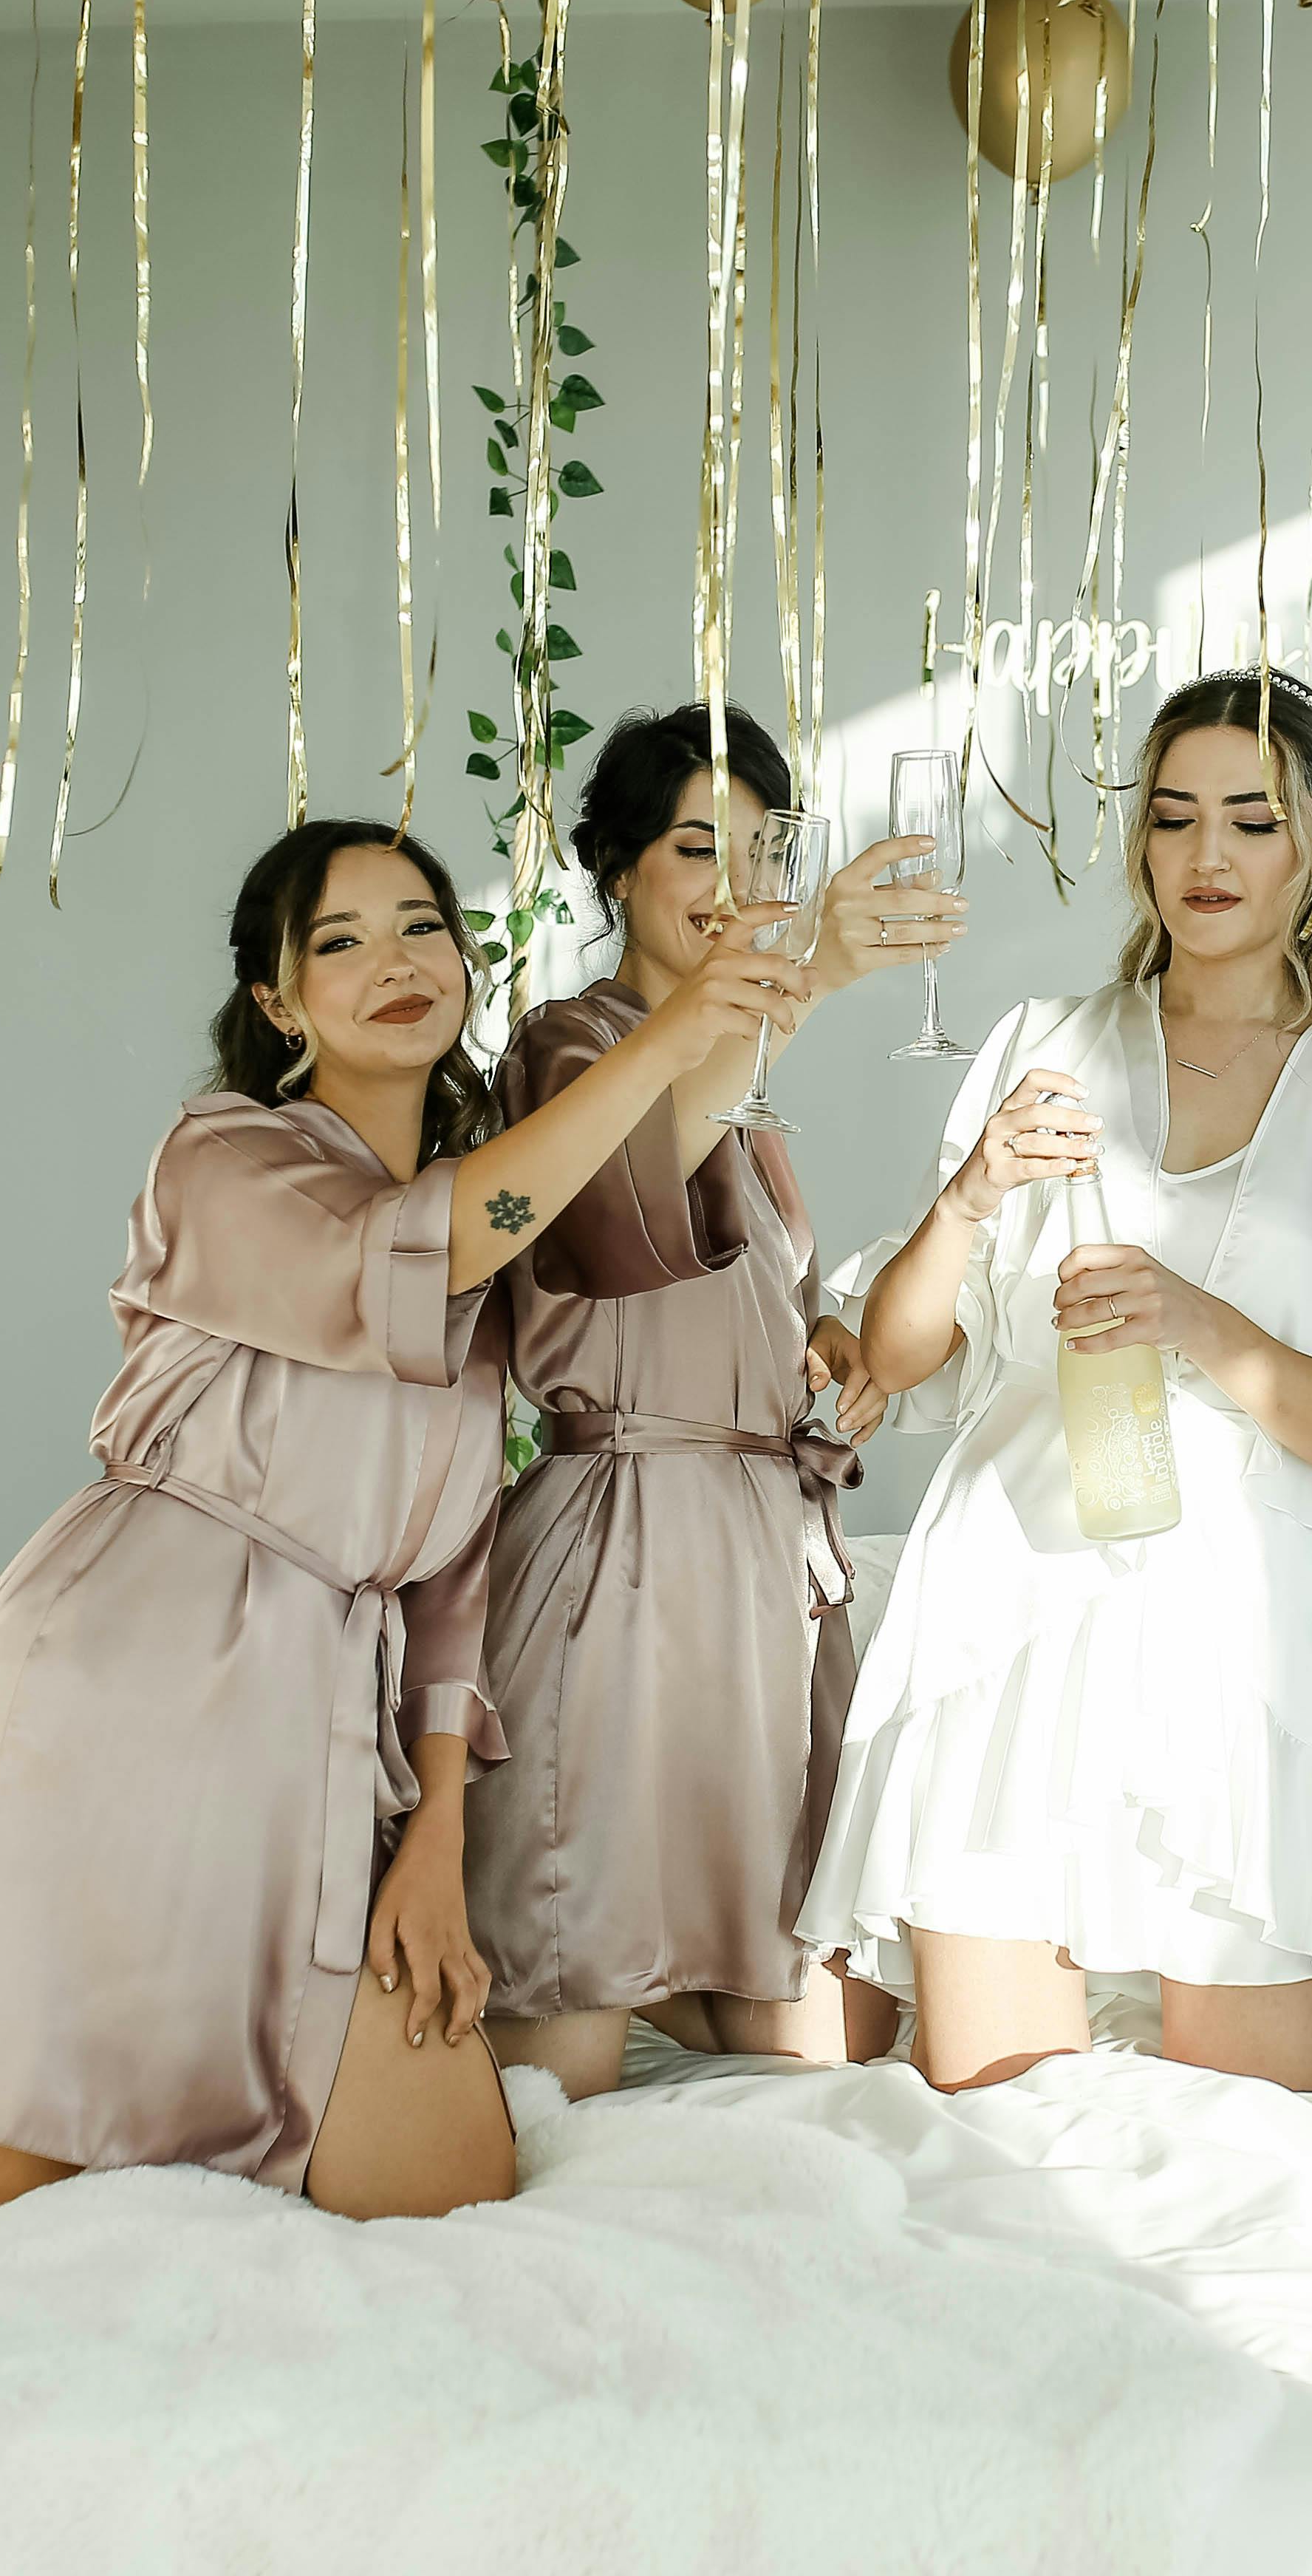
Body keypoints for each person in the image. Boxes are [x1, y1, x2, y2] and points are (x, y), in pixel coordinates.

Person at [0, 817, 805, 2258]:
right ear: (274, 1000)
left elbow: (446, 1582)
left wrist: (435, 1835)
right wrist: (676, 1025)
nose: (394, 962)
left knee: (446, 2190)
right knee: (12, 2212)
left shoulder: (473, 1222)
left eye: (424, 927)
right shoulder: (227, 1157)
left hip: (330, 1742)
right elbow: (440, 1237)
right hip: (121, 1705)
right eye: (340, 940)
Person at [802, 669, 1312, 2093]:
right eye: (1175, 820)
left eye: (1252, 820)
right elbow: (903, 1358)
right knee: (996, 2124)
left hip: (1241, 1632)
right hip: (1012, 1596)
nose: (1208, 858)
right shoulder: (1043, 1041)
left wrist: (1198, 1322)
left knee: (1272, 2136)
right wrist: (974, 1195)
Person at [470, 706, 962, 2097]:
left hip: (759, 1568)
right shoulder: (570, 1047)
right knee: (566, 2027)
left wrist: (819, 1347)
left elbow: (737, 1275)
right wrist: (819, 970)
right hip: (620, 1558)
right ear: (619, 869)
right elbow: (618, 1212)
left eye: (763, 852)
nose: (736, 883)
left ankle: (688, 1983)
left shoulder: (750, 1098)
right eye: (700, 848)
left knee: (844, 2029)